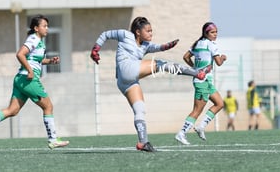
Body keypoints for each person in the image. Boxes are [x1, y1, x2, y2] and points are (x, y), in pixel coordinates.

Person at [90, 16, 211, 152]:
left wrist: (167, 46)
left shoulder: (146, 46)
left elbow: (158, 47)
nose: (151, 33)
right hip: (126, 69)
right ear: (137, 31)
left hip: (125, 82)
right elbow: (105, 34)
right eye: (148, 31)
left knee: (140, 109)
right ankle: (197, 73)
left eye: (151, 31)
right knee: (161, 64)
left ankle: (143, 142)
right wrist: (96, 49)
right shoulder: (125, 35)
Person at [0, 14, 69, 149]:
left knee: (12, 110)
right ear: (36, 28)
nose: (47, 28)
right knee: (48, 106)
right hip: (28, 79)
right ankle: (53, 139)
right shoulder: (34, 39)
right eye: (44, 26)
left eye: (47, 26)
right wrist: (30, 71)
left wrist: (50, 61)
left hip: (21, 79)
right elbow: (20, 54)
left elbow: (36, 60)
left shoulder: (39, 42)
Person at [175, 22, 227, 145]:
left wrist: (195, 69)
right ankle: (181, 133)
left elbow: (186, 57)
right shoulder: (211, 45)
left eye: (216, 32)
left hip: (204, 81)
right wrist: (223, 57)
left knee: (219, 103)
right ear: (206, 33)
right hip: (203, 82)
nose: (215, 35)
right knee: (196, 111)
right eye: (212, 32)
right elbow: (219, 62)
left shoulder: (197, 44)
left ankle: (201, 127)